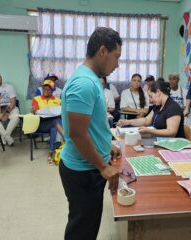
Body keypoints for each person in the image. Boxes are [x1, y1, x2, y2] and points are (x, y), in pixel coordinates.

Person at [59, 27, 122, 240]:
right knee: (82, 229)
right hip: (83, 170)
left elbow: (92, 125)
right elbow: (77, 134)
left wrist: (106, 145)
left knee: (87, 223)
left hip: (88, 165)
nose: (118, 64)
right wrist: (103, 166)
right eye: (116, 57)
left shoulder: (91, 78)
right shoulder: (84, 83)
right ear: (103, 51)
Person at [117, 81, 185, 138]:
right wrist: (127, 122)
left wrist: (149, 131)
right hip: (159, 139)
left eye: (151, 96)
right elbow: (146, 120)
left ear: (158, 92)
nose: (150, 101)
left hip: (173, 145)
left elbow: (171, 132)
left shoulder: (173, 108)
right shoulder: (158, 106)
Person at [31, 80, 64, 163]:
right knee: (55, 121)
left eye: (48, 89)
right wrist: (33, 110)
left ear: (52, 91)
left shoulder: (58, 100)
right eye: (44, 89)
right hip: (41, 124)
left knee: (54, 127)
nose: (46, 91)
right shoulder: (36, 99)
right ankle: (66, 139)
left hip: (54, 125)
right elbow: (33, 112)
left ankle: (51, 152)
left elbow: (61, 112)